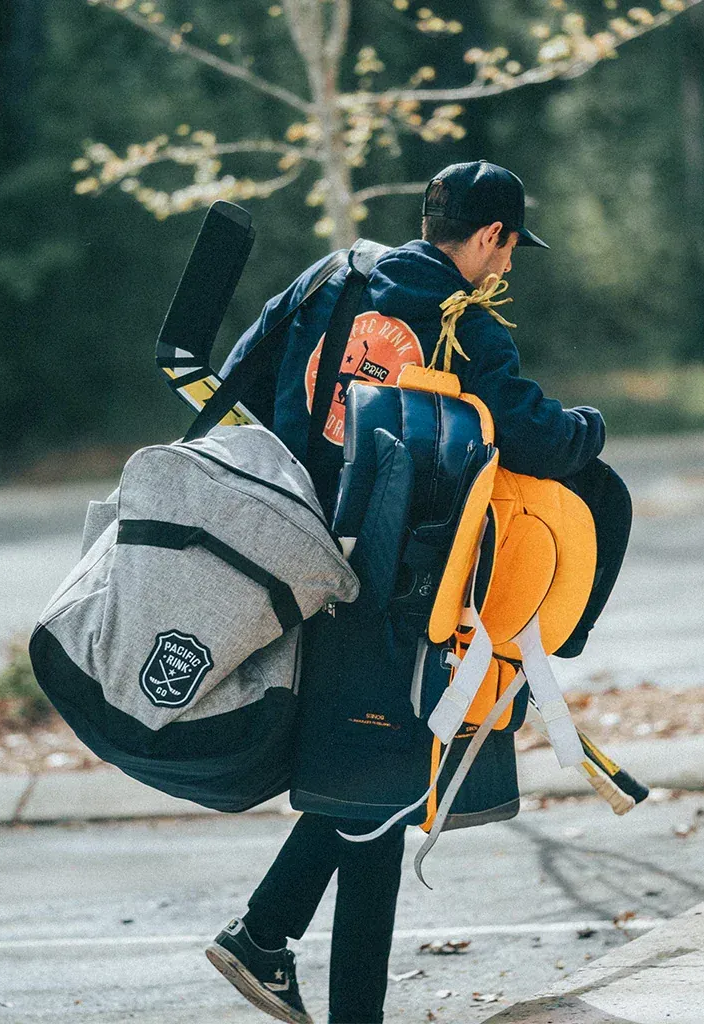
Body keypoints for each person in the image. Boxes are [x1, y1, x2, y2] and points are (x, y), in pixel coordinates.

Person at [205, 160, 606, 1024]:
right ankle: (285, 955)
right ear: (490, 235)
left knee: (370, 782)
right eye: (509, 248)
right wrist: (590, 428)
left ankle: (266, 937)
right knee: (377, 788)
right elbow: (535, 437)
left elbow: (236, 379)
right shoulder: (464, 325)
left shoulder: (330, 276)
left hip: (292, 553)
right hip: (394, 580)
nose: (507, 266)